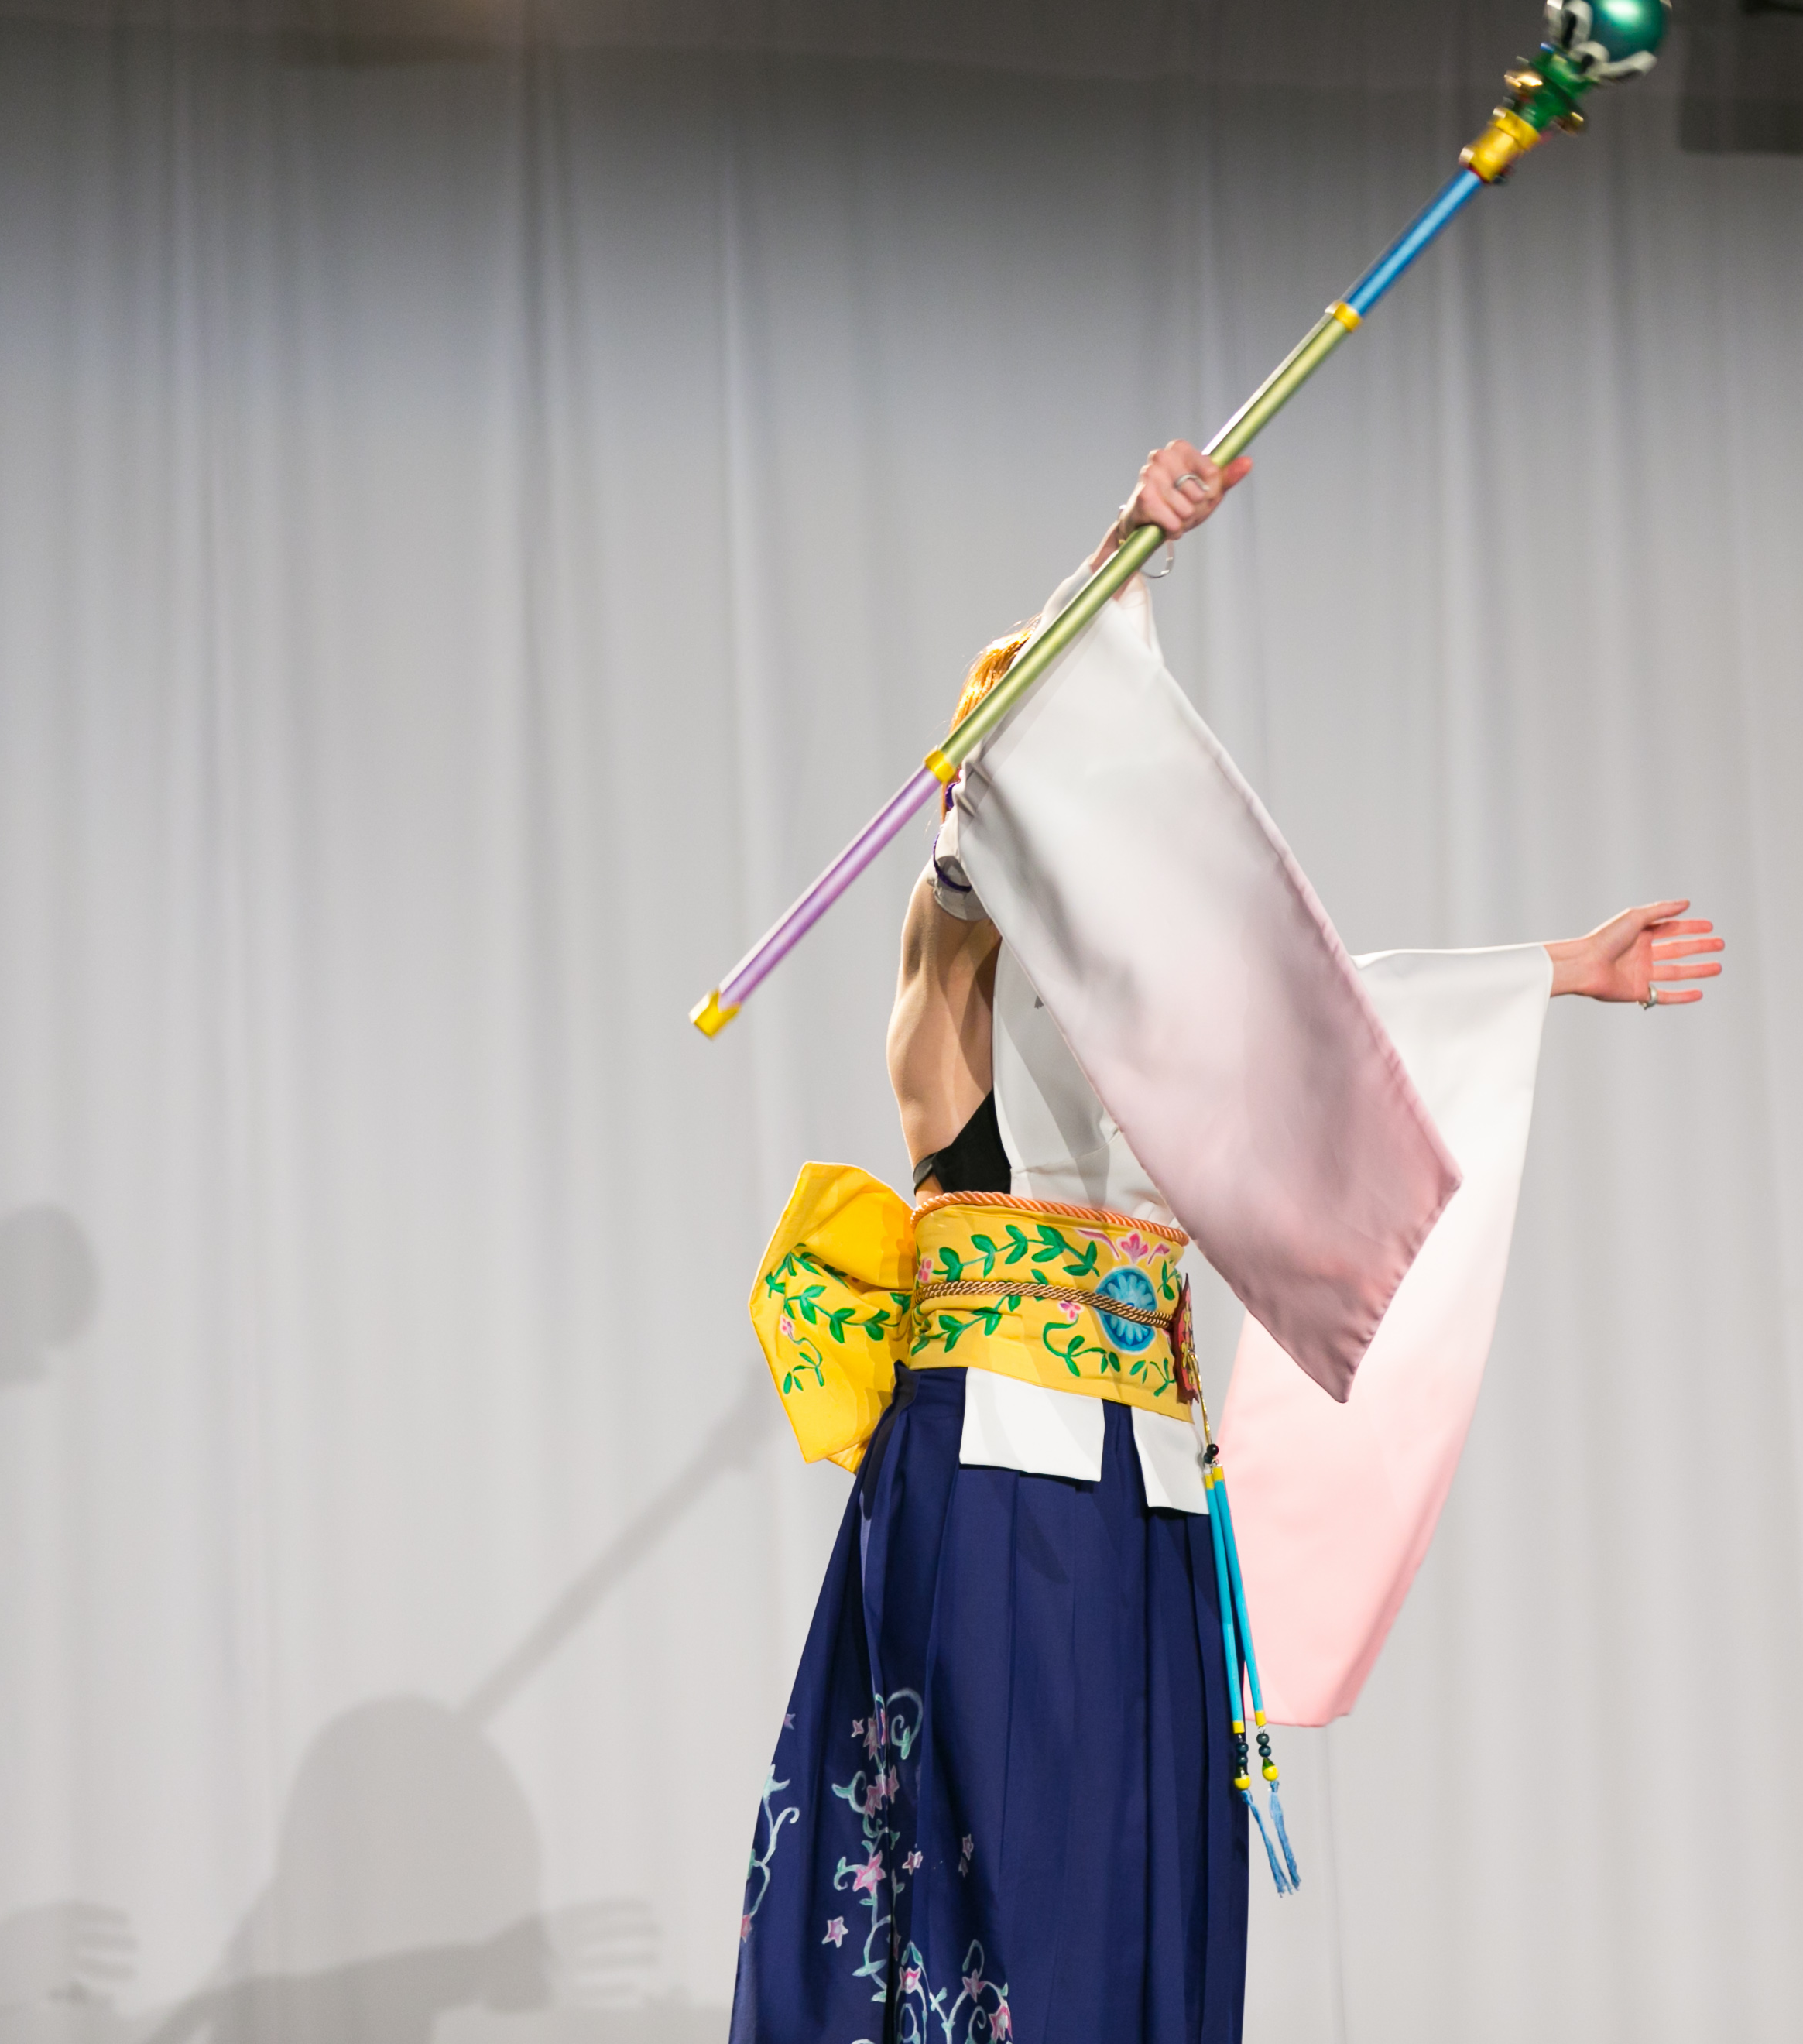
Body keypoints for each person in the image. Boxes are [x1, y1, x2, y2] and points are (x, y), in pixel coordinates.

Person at [727, 444, 1722, 2044]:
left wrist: (1555, 967)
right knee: (1003, 1892)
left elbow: (1337, 1028)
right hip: (994, 1470)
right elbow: (991, 805)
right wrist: (1124, 551)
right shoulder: (958, 947)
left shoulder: (1164, 1011)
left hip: (1153, 1489)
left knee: (1147, 1881)